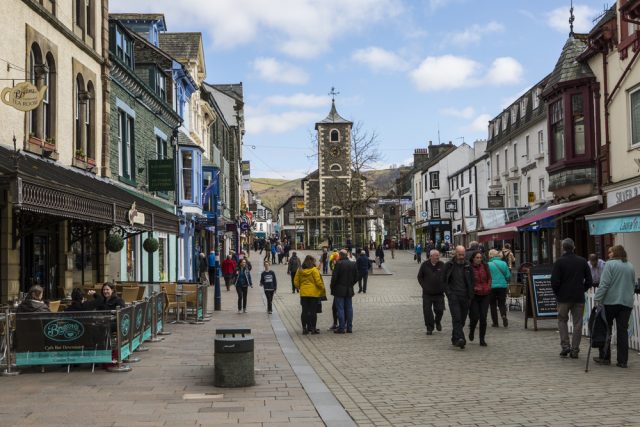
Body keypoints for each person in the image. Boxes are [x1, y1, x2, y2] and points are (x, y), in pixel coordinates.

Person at [592, 245, 636, 368]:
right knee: (622, 331)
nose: (609, 254)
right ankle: (622, 361)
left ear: (615, 253)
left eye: (611, 252)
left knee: (606, 329)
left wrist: (597, 298)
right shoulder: (630, 266)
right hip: (626, 303)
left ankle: (605, 357)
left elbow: (604, 284)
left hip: (611, 302)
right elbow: (633, 284)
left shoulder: (609, 265)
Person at [550, 238, 593, 359]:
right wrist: (582, 289)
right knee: (578, 323)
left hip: (563, 297)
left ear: (563, 248)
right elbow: (589, 280)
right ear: (574, 247)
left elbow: (554, 281)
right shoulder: (582, 261)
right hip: (578, 297)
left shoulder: (559, 262)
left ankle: (565, 346)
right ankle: (575, 350)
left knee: (562, 320)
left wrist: (557, 293)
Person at [443, 246, 474, 349]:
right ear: (455, 253)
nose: (461, 257)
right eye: (459, 254)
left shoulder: (468, 265)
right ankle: (461, 339)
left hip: (465, 296)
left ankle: (454, 338)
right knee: (457, 318)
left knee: (462, 320)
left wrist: (471, 294)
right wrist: (449, 293)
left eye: (463, 254)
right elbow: (444, 280)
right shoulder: (449, 265)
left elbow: (472, 280)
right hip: (454, 296)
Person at [294, 255, 326, 335]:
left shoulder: (300, 270)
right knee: (313, 312)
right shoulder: (314, 270)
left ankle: (304, 329)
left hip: (304, 294)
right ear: (312, 262)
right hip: (313, 294)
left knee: (304, 311)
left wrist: (300, 287)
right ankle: (313, 329)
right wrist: (322, 289)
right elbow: (318, 282)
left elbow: (295, 282)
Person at [417, 249, 445, 335]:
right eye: (436, 256)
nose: (438, 257)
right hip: (427, 293)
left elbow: (446, 276)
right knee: (427, 311)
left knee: (440, 310)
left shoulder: (442, 265)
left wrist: (444, 286)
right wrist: (424, 286)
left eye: (438, 255)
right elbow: (419, 277)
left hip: (439, 293)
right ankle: (429, 328)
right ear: (431, 256)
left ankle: (437, 321)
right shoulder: (425, 265)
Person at [330, 250, 358, 334]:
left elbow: (334, 278)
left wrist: (332, 286)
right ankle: (349, 327)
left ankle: (341, 328)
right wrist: (351, 284)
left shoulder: (338, 264)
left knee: (340, 308)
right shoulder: (353, 264)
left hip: (339, 289)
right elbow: (356, 277)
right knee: (349, 308)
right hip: (349, 289)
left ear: (341, 255)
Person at [468, 250, 492, 346]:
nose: (479, 259)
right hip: (474, 295)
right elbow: (468, 280)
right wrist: (472, 288)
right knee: (474, 317)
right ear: (473, 258)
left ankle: (482, 339)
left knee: (483, 317)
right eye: (477, 258)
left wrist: (488, 286)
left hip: (485, 294)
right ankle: (472, 330)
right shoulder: (469, 267)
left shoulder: (485, 266)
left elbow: (489, 278)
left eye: (480, 258)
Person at [487, 249, 511, 328]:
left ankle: (495, 323)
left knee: (493, 305)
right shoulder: (503, 263)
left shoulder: (488, 264)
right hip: (502, 286)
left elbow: (486, 276)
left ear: (490, 255)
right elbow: (508, 276)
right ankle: (503, 315)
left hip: (491, 287)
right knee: (501, 303)